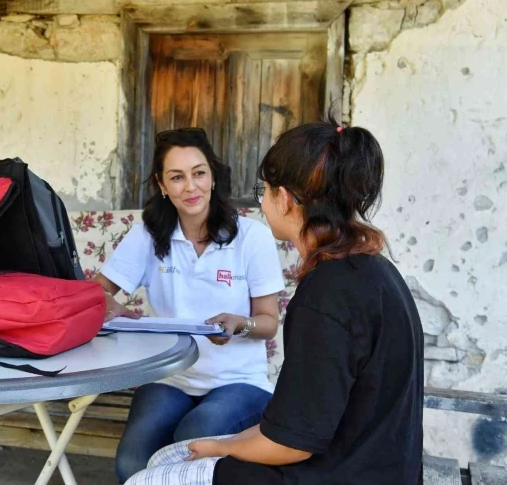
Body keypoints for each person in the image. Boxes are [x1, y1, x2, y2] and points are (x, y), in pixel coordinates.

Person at [125, 117, 425, 485]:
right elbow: (302, 422)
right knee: (165, 457)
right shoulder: (372, 270)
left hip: (336, 473)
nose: (262, 203)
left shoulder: (327, 294)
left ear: (283, 199)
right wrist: (224, 444)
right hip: (368, 463)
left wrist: (224, 449)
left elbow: (291, 445)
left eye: (264, 191)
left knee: (148, 479)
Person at [91, 127, 285, 484]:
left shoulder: (250, 236)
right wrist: (119, 312)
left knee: (193, 438)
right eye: (176, 177)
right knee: (132, 462)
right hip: (170, 376)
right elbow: (95, 295)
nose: (190, 187)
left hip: (239, 381)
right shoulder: (148, 235)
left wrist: (239, 324)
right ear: (162, 186)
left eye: (198, 173)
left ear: (212, 176)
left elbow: (268, 322)